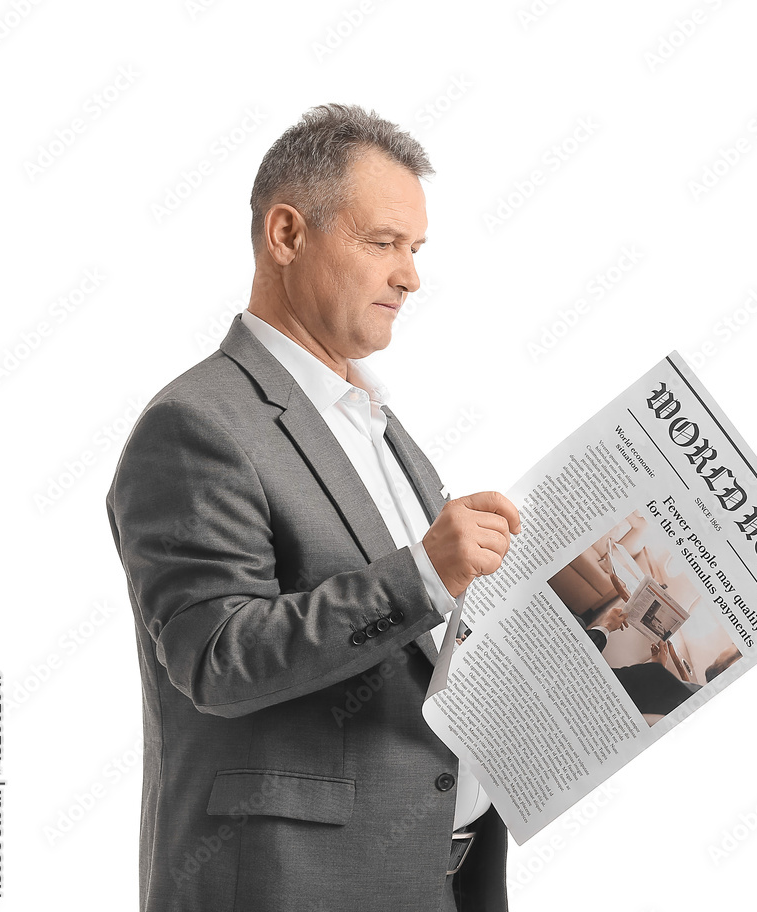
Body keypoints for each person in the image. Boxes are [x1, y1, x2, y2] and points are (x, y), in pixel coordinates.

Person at [105, 104, 520, 912]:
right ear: (287, 235)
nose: (411, 276)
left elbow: (409, 648)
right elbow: (216, 659)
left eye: (417, 249)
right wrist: (425, 575)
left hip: (448, 880)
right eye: (383, 243)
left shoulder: (380, 424)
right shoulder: (196, 425)